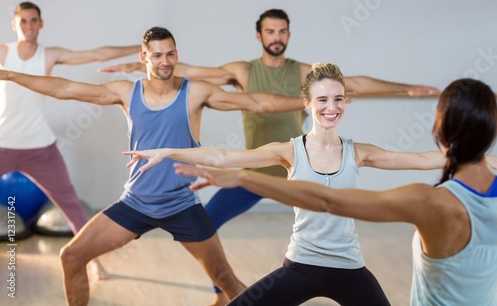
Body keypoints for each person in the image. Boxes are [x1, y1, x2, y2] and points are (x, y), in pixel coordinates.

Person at [102, 9, 442, 303]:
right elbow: (196, 90)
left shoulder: (305, 74)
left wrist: (405, 87)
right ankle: (223, 292)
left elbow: (358, 87)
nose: (276, 37)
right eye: (270, 31)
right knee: (208, 222)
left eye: (282, 31)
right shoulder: (244, 71)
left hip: (305, 179)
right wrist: (147, 66)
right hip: (266, 167)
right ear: (259, 35)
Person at [123, 63, 487, 305]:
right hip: (300, 264)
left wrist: (479, 158)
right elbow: (223, 157)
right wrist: (169, 150)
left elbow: (421, 159)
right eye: (323, 100)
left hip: (349, 266)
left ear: (347, 102)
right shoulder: (289, 151)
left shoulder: (358, 152)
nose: (332, 107)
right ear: (307, 104)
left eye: (338, 99)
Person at [0, 26, 307, 306]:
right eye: (157, 54)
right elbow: (64, 89)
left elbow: (258, 103)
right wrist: (12, 76)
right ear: (143, 57)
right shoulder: (126, 92)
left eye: (170, 53)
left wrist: (309, 101)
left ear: (177, 54)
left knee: (225, 280)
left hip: (182, 205)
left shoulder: (195, 92)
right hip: (136, 203)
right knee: (71, 256)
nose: (165, 61)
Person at [0, 1, 141, 279]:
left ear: (41, 24)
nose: (28, 26)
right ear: (14, 25)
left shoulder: (49, 55)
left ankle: (93, 261)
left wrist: (140, 48)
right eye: (23, 21)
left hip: (40, 146)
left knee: (71, 205)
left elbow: (97, 54)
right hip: (3, 143)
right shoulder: (4, 53)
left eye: (33, 21)